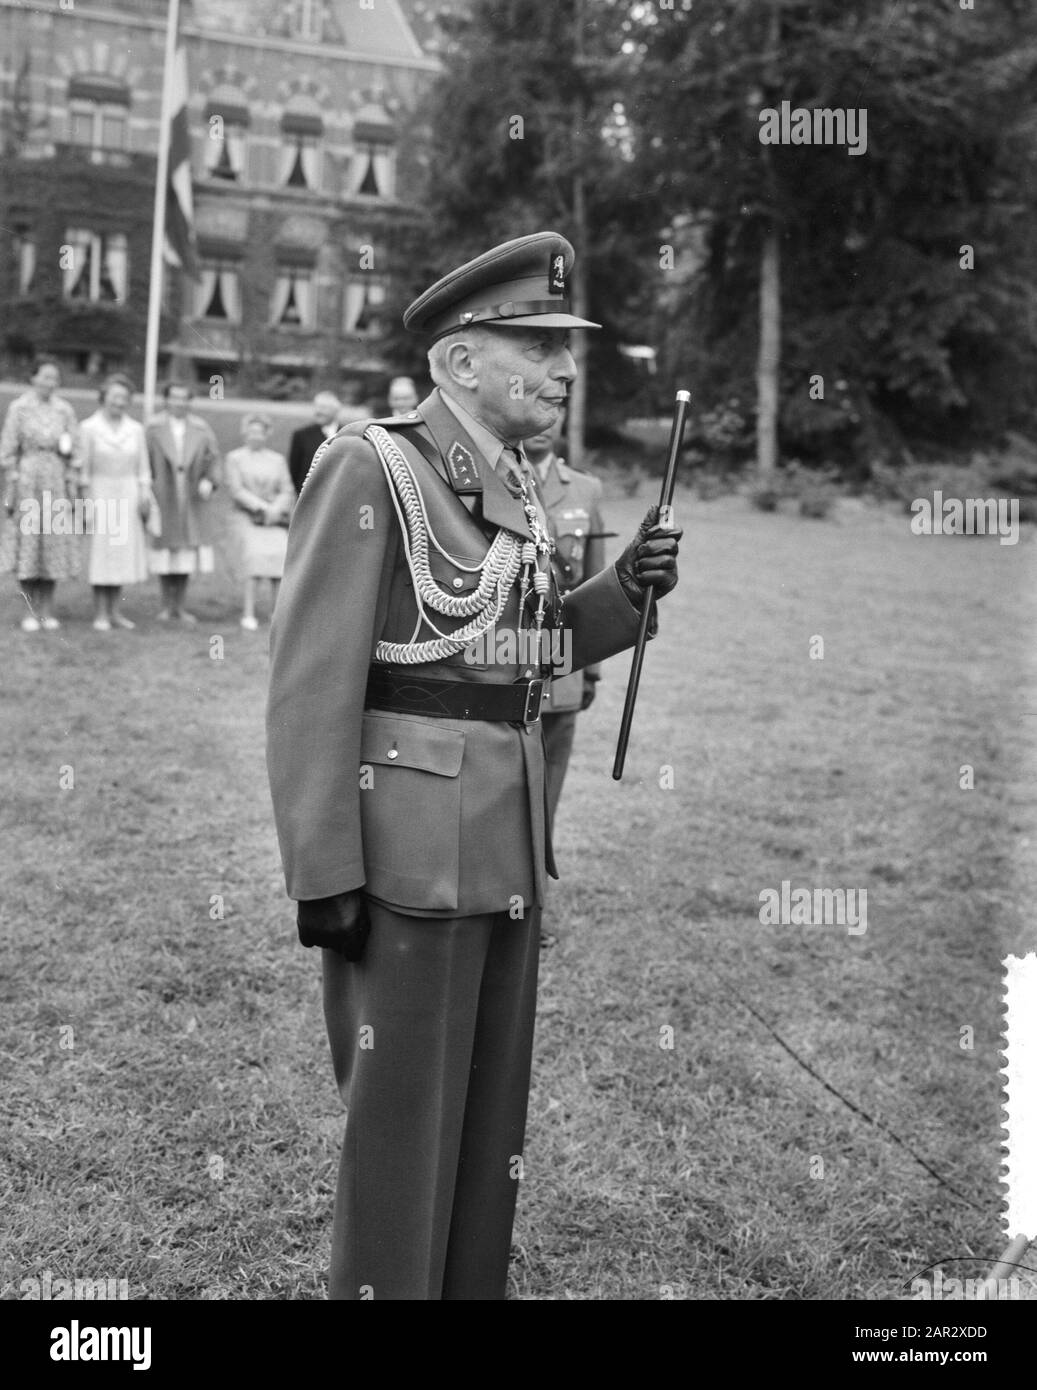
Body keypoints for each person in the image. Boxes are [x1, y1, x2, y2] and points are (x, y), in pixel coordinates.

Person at [266, 231, 682, 1302]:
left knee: (487, 1120)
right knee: (403, 1135)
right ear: (459, 363)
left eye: (565, 345)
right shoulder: (373, 468)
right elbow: (310, 686)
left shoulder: (518, 484)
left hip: (502, 847)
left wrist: (623, 592)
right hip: (404, 860)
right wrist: (323, 875)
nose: (563, 366)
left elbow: (515, 658)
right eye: (537, 343)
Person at [524, 406, 608, 948]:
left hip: (563, 669)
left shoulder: (586, 489)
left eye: (558, 412)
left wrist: (593, 669)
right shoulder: (496, 479)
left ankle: (532, 912)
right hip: (503, 666)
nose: (546, 421)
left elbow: (598, 582)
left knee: (545, 798)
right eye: (538, 408)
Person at [0, 357, 81, 631]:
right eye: (45, 377)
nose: (50, 383)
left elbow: (76, 451)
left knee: (52, 545)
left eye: (55, 378)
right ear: (33, 378)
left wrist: (71, 483)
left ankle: (47, 608)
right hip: (28, 481)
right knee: (29, 545)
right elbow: (8, 451)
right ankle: (29, 611)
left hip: (55, 480)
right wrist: (11, 484)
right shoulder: (19, 408)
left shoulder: (64, 410)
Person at [79, 373, 154, 632]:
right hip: (100, 494)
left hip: (128, 494)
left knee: (122, 554)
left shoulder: (135, 429)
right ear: (103, 397)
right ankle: (100, 612)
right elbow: (83, 471)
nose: (119, 402)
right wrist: (86, 501)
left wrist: (144, 495)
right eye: (114, 396)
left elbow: (143, 469)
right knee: (103, 554)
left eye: (124, 398)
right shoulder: (89, 428)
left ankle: (115, 612)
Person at [145, 382, 221, 625]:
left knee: (186, 551)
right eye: (174, 398)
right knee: (166, 548)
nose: (179, 403)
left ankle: (180, 605)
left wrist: (209, 480)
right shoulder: (153, 426)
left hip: (190, 495)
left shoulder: (200, 428)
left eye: (184, 398)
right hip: (164, 493)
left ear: (190, 401)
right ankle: (166, 605)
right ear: (166, 400)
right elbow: (143, 460)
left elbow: (213, 457)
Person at [224, 413, 294, 630]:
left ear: (267, 434)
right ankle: (249, 612)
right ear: (245, 433)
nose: (256, 436)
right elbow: (236, 490)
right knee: (254, 557)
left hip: (274, 519)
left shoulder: (277, 460)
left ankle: (278, 612)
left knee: (280, 555)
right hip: (247, 517)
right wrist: (261, 508)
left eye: (260, 432)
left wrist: (275, 509)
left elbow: (287, 489)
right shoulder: (235, 458)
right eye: (251, 432)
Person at [288, 391, 341, 494]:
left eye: (324, 408)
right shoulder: (301, 435)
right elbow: (294, 470)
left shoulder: (348, 433)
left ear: (336, 411)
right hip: (310, 494)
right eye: (317, 407)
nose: (318, 411)